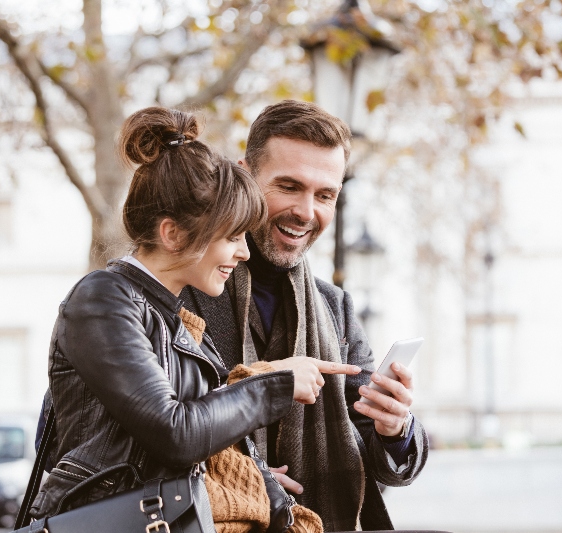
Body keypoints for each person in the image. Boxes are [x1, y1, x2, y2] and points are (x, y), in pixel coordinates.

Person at [29, 107, 361, 532]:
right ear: (173, 234)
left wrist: (267, 496)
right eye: (232, 236)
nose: (243, 252)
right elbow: (176, 432)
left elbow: (207, 434)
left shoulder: (179, 320)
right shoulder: (102, 299)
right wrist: (275, 385)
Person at [180, 100, 429, 532]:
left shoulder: (335, 307)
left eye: (325, 195)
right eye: (289, 186)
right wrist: (239, 481)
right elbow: (141, 432)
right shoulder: (176, 286)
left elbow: (375, 458)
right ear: (244, 176)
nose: (306, 211)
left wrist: (395, 428)